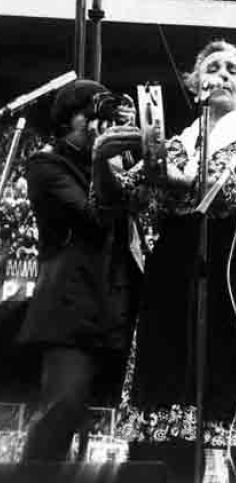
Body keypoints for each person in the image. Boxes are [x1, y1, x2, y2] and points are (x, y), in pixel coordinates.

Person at [93, 40, 236, 483]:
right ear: (194, 85)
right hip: (178, 272)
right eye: (212, 67)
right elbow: (123, 198)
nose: (222, 74)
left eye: (233, 69)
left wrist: (183, 182)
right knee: (172, 390)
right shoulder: (173, 144)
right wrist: (103, 161)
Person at [18, 79, 143, 462]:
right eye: (92, 114)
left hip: (118, 308)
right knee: (62, 410)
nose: (99, 124)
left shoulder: (113, 162)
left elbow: (143, 199)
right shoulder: (46, 164)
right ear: (68, 119)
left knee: (139, 415)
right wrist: (104, 160)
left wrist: (134, 148)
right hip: (72, 313)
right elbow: (93, 218)